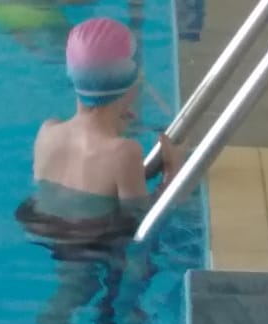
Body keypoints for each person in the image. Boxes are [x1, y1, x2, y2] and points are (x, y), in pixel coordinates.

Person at [29, 18, 182, 219]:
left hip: (37, 225)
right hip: (96, 237)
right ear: (132, 83)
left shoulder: (47, 132)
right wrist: (171, 174)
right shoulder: (124, 153)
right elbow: (141, 218)